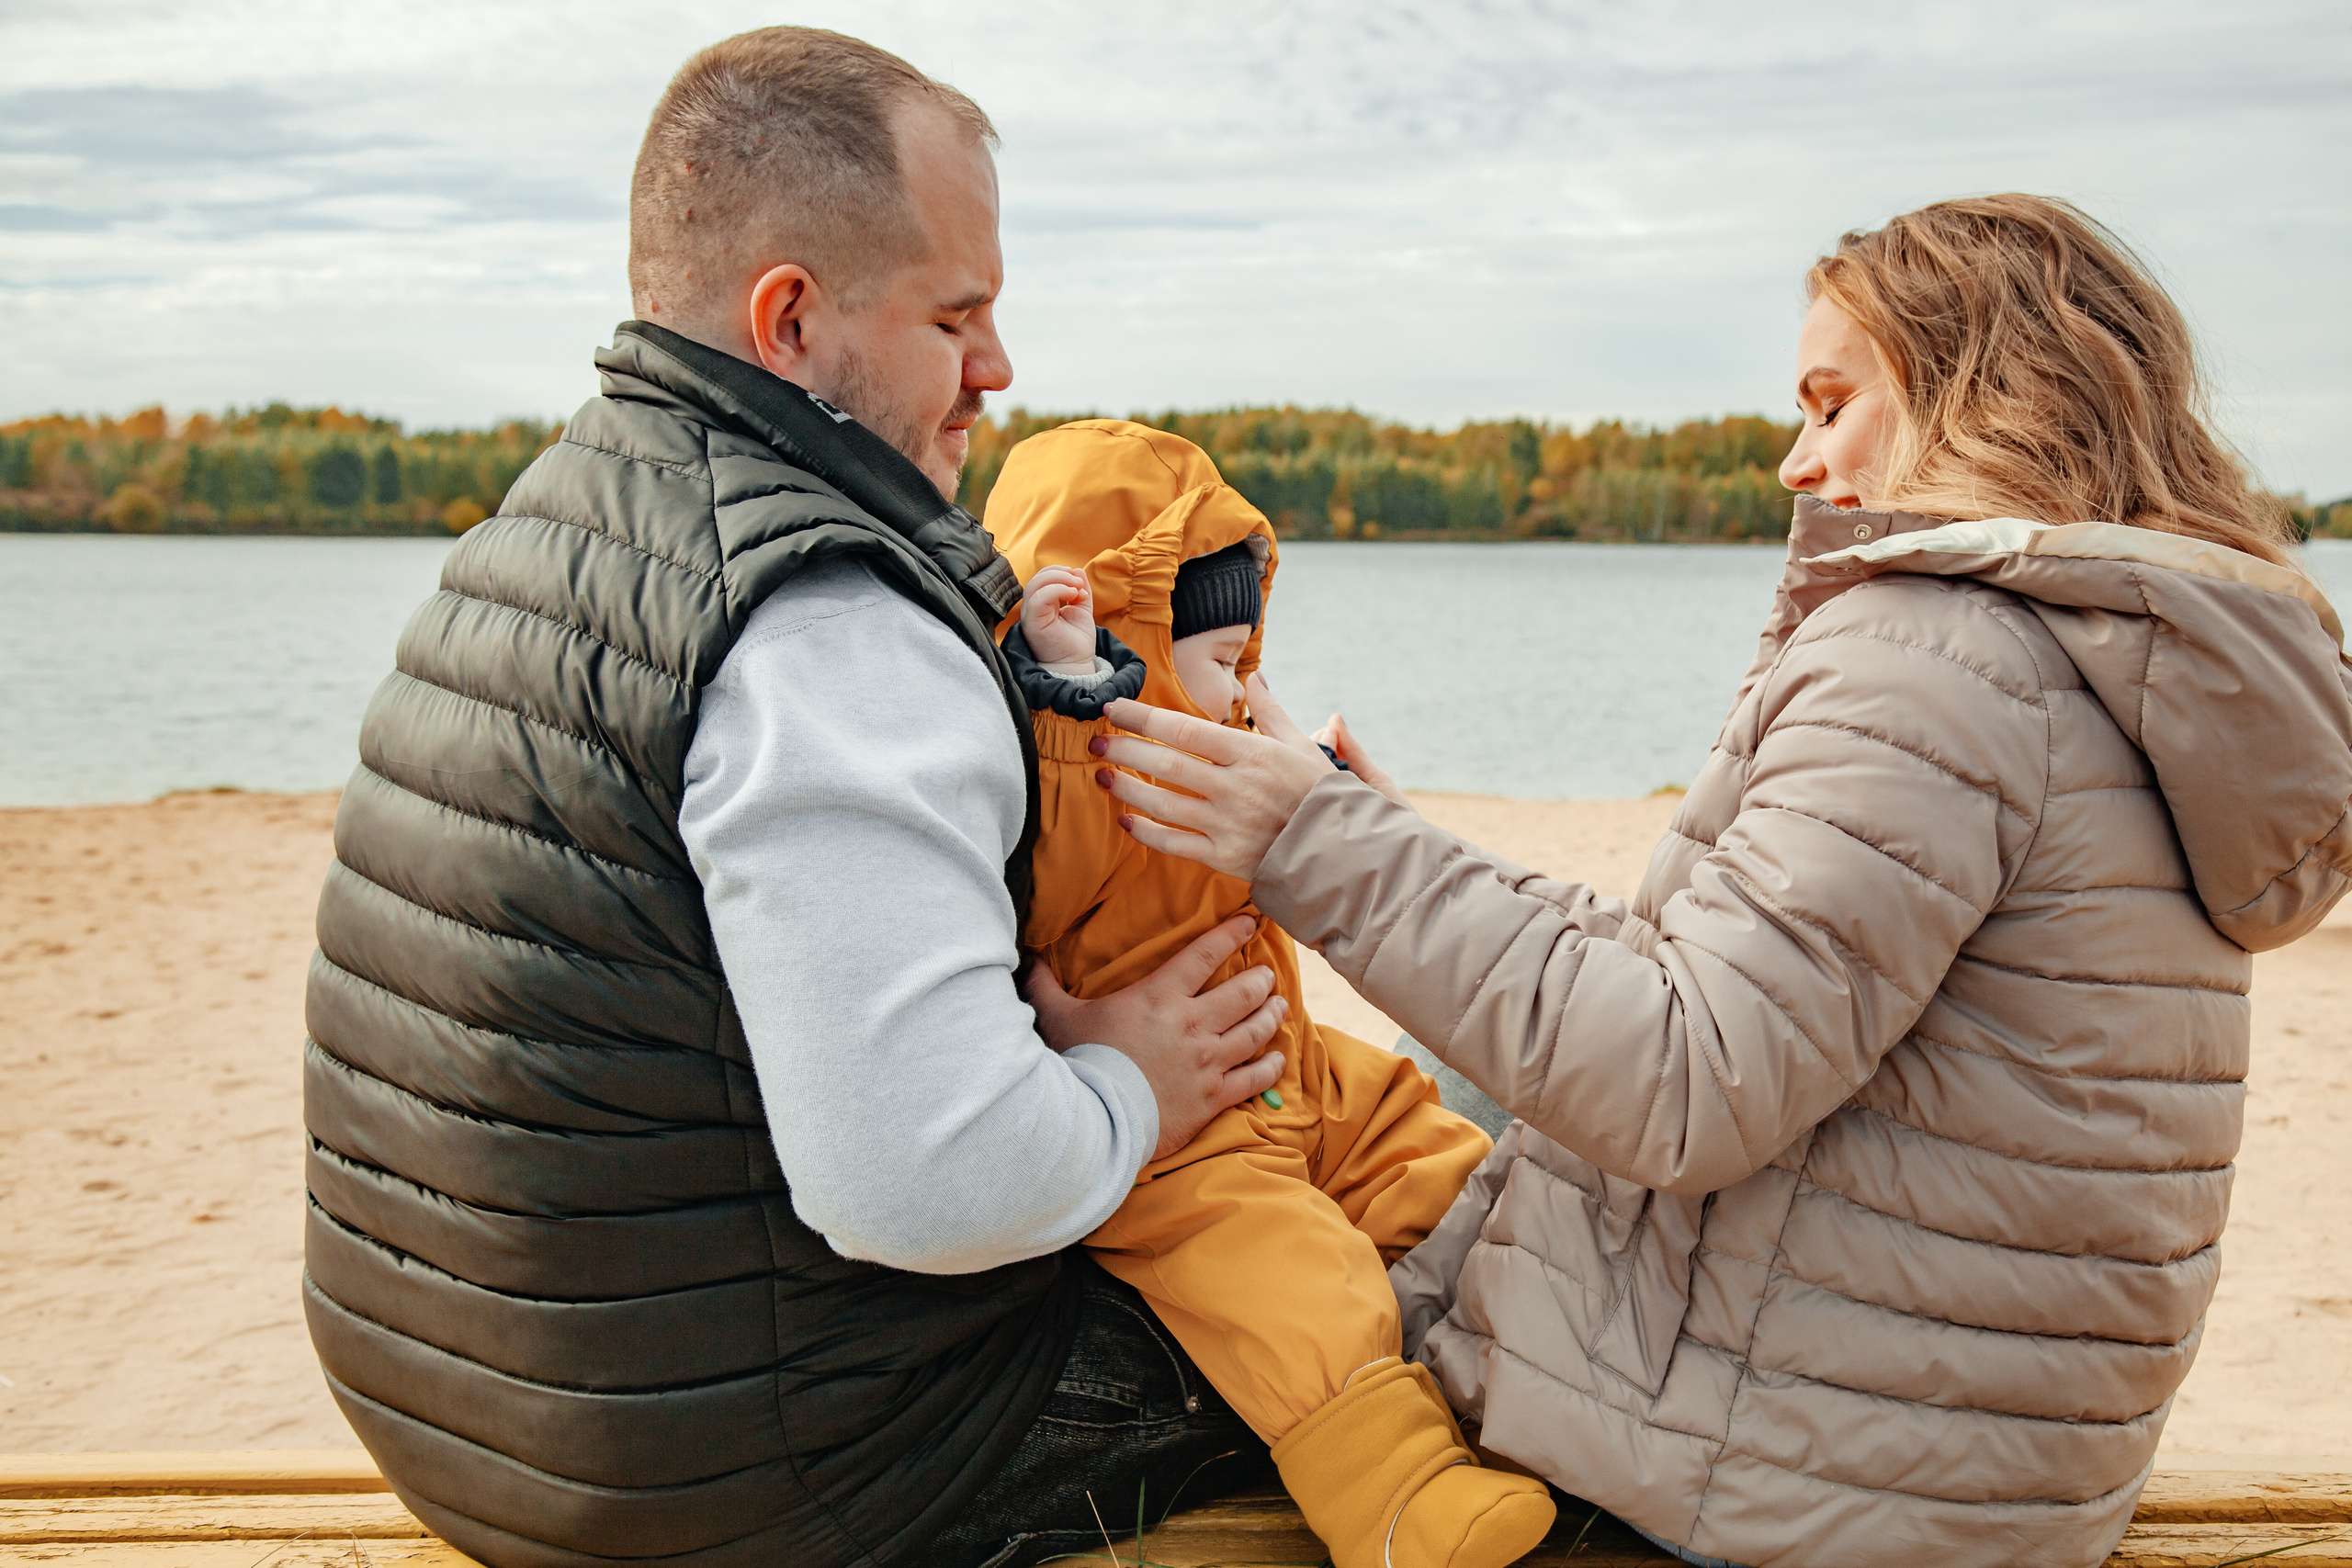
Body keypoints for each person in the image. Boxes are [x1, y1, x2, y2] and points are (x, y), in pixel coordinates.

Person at [1087, 194, 2352, 1568]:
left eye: (1829, 404)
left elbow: (1682, 1079)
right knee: (1409, 1093)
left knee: (1184, 1188)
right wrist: (1400, 843)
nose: (1794, 459)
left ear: (1978, 396)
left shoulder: (1938, 659)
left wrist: (1314, 842)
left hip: (1781, 1486)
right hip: (1980, 1465)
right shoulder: (2126, 664)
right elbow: (1753, 993)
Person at [303, 28, 1301, 1568]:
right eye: (957, 316)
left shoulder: (553, 519)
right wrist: (1131, 1089)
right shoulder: (828, 626)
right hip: (775, 1473)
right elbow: (932, 1182)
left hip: (467, 1413)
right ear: (789, 320)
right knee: (1384, 1278)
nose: (998, 370)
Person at [989, 420, 1551, 1568]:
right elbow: (1062, 820)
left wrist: (1336, 817)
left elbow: (1282, 894)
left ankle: (1544, 1370)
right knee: (1290, 1282)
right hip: (1180, 1143)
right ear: (1123, 640)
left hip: (1288, 1070)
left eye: (1250, 658)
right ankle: (1397, 1500)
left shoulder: (1215, 753)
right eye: (1219, 659)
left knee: (1432, 1154)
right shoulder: (1078, 761)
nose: (1243, 690)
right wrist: (1072, 687)